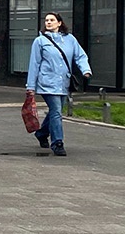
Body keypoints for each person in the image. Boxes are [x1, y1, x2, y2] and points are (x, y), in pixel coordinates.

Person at [26, 12, 92, 157]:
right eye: (46, 20)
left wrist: (85, 70)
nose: (48, 22)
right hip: (47, 82)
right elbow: (34, 63)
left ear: (59, 23)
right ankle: (57, 143)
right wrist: (30, 86)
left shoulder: (70, 39)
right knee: (56, 111)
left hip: (63, 82)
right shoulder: (40, 41)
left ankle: (42, 133)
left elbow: (80, 55)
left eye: (52, 20)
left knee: (55, 111)